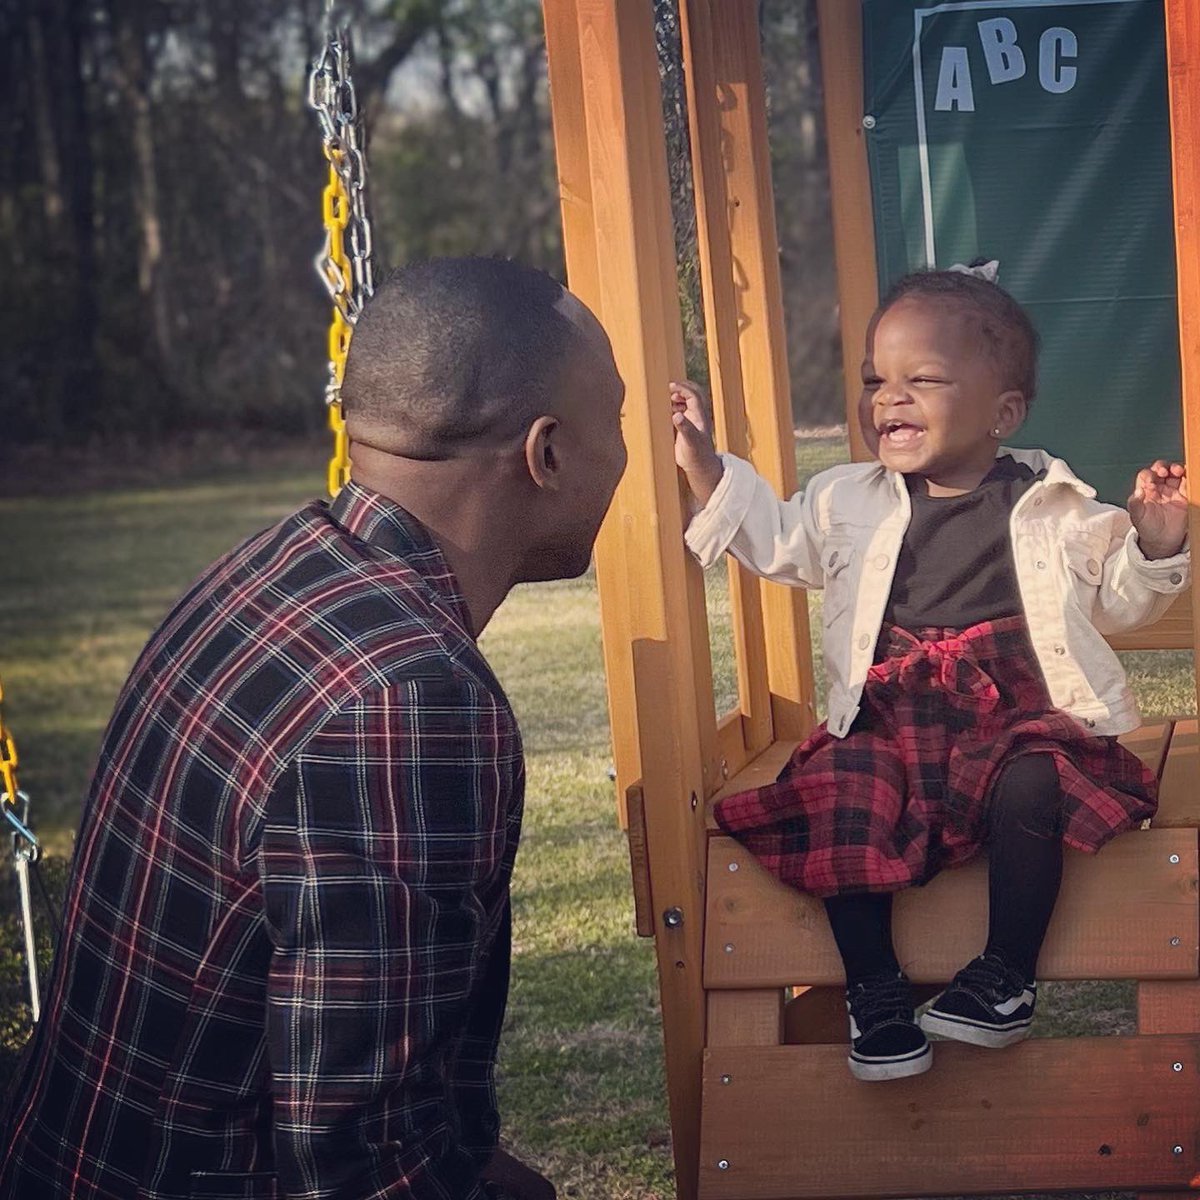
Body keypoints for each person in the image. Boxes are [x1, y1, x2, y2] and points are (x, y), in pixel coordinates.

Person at [0, 257, 627, 1198]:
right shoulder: (409, 700)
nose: (628, 453)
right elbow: (361, 1163)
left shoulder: (265, 569)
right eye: (613, 421)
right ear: (545, 454)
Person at [671, 262, 1189, 1083]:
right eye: (877, 379)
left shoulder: (1054, 504)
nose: (889, 399)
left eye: (923, 379)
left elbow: (1118, 601)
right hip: (891, 716)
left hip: (1010, 712)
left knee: (1035, 782)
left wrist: (1155, 544)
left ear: (1003, 412)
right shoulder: (847, 498)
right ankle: (874, 993)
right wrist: (704, 464)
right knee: (842, 787)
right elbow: (772, 539)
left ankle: (1004, 978)